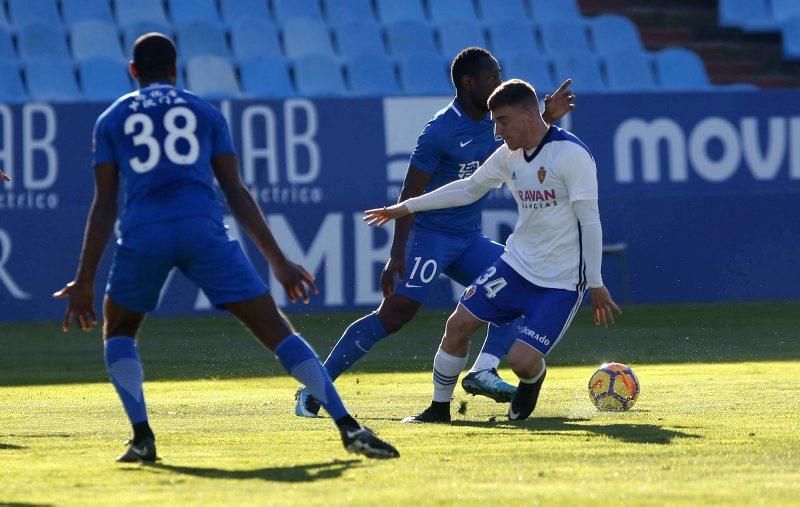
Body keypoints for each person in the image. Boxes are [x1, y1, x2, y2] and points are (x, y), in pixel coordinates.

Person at [53, 33, 399, 462]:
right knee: (275, 329)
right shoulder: (204, 111)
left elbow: (104, 203)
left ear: (133, 71)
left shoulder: (111, 119)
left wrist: (84, 279)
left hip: (144, 233)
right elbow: (234, 190)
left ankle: (143, 438)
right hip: (203, 230)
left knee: (120, 330)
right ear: (175, 70)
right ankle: (348, 427)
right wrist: (278, 260)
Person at [295, 47, 575, 419]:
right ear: (468, 82)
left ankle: (482, 370)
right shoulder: (440, 131)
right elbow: (410, 193)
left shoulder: (499, 121)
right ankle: (315, 389)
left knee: (522, 290)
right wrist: (397, 254)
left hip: (468, 239)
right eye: (492, 77)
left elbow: (524, 132)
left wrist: (546, 116)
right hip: (430, 238)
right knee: (395, 315)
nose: (498, 81)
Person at [364, 79, 621, 423]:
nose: (497, 132)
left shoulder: (571, 155)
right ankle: (439, 410)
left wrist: (595, 281)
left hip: (560, 281)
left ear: (529, 115)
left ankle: (532, 380)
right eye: (494, 122)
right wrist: (407, 207)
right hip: (515, 266)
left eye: (502, 121)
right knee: (458, 324)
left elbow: (590, 222)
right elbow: (468, 189)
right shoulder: (509, 155)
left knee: (521, 361)